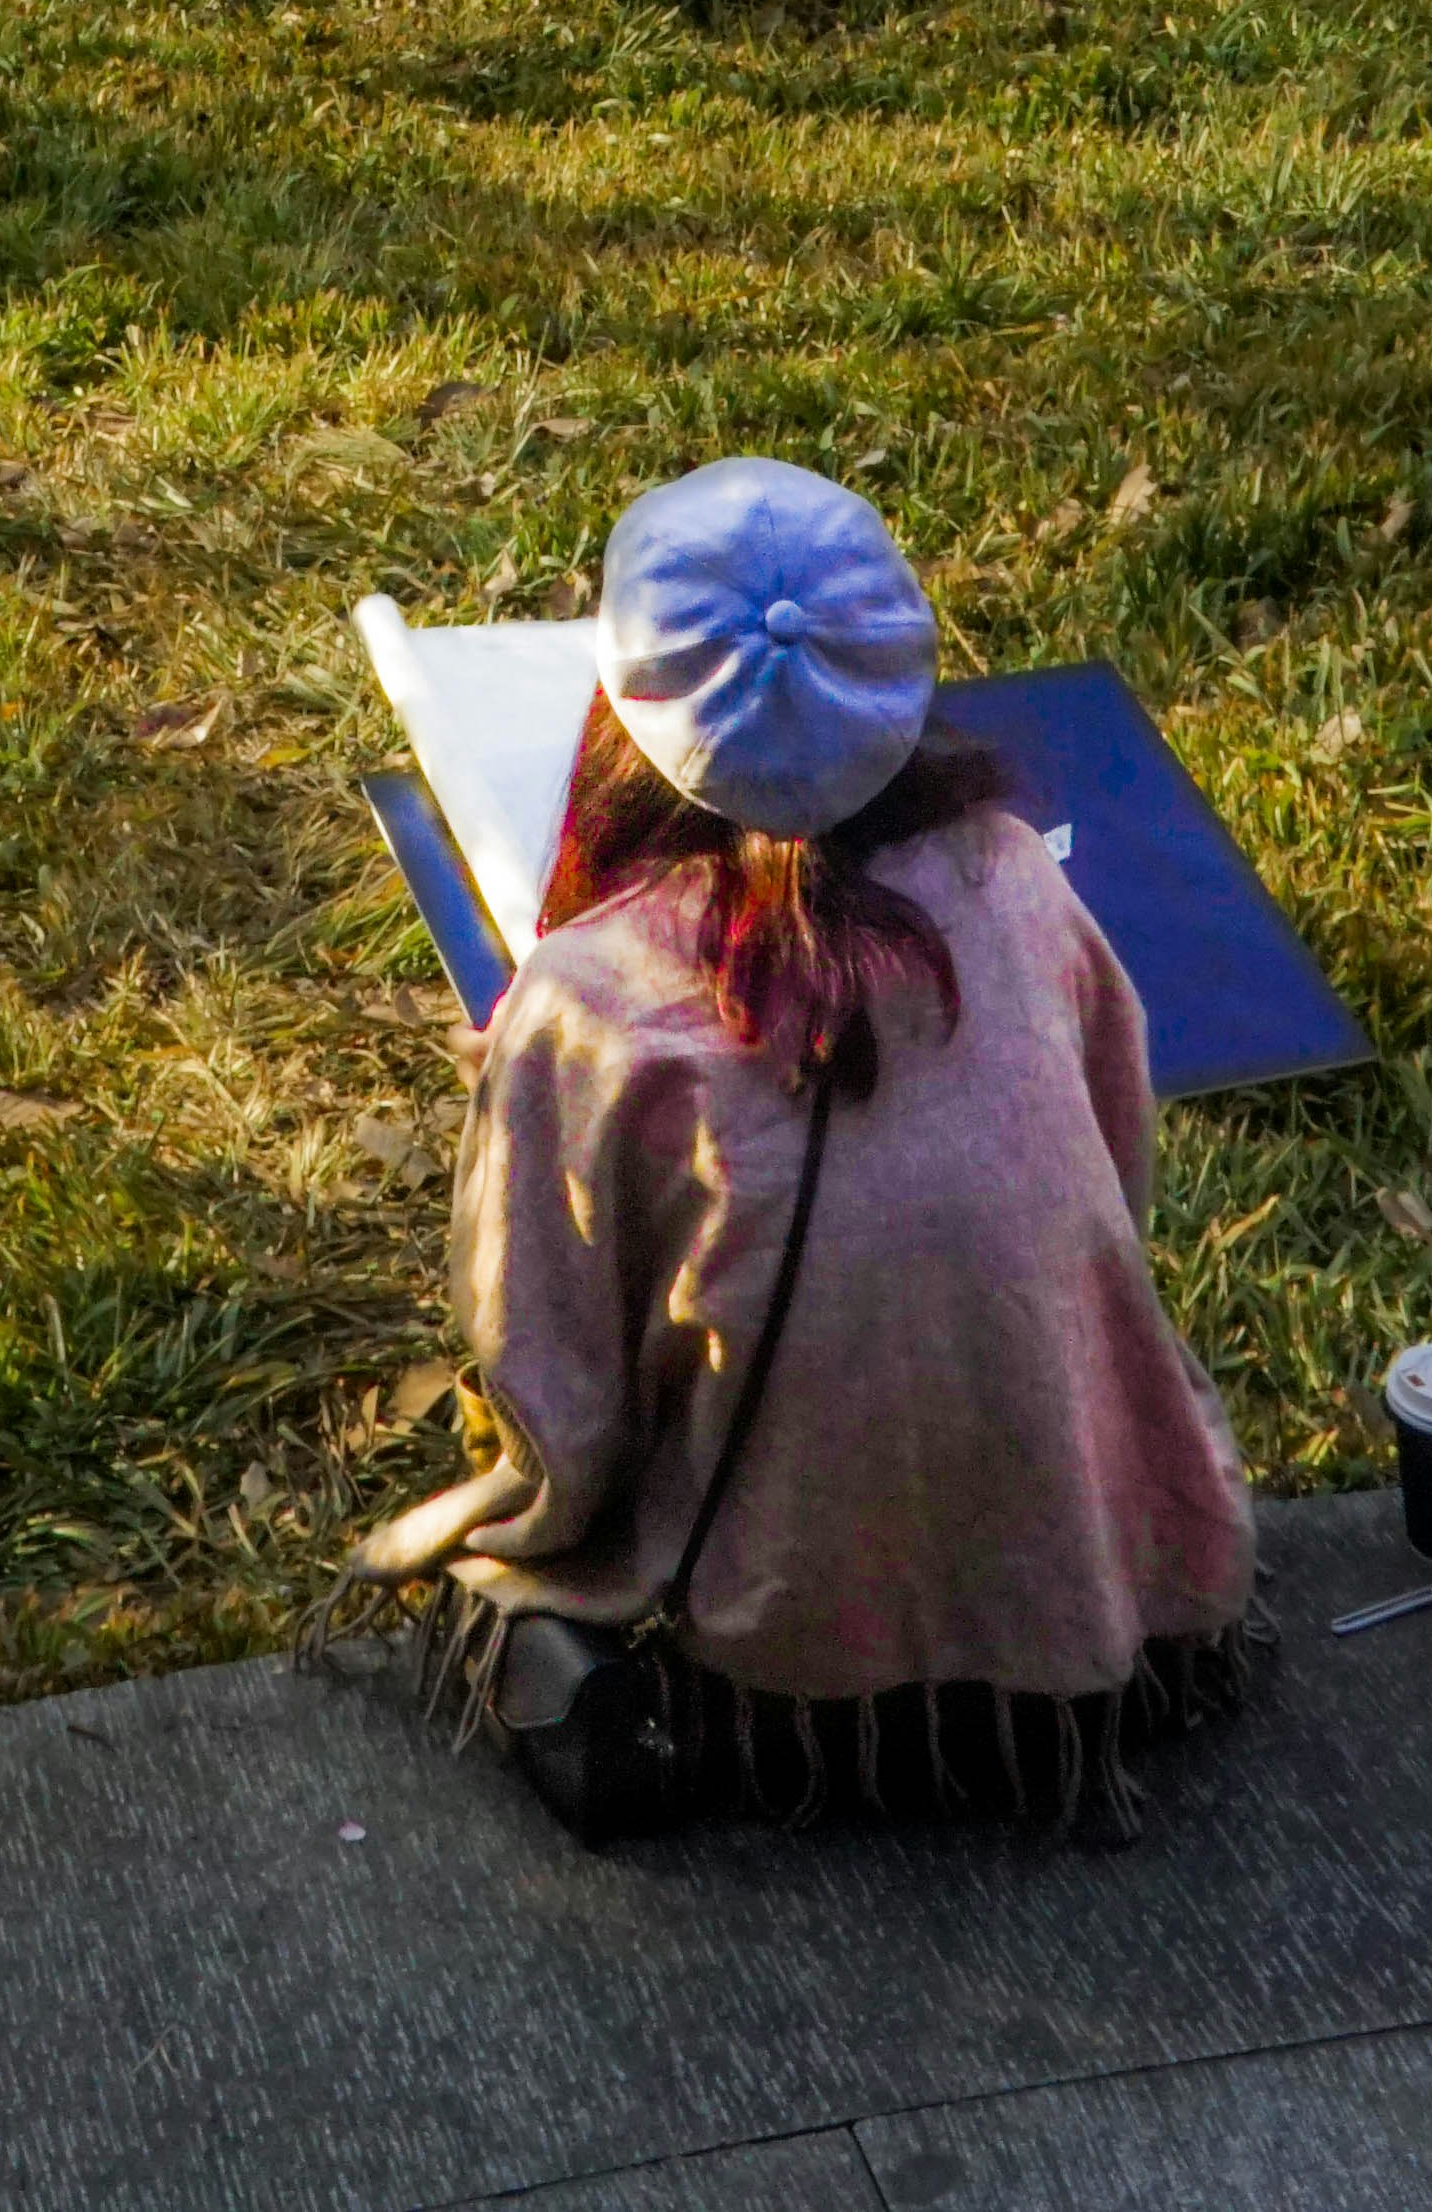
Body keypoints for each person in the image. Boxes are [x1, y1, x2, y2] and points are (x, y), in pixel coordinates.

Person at [338, 457, 1258, 1840]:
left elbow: (548, 1364)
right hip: (1077, 1606)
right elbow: (1104, 1186)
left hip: (768, 1682)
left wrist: (523, 1101)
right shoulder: (1015, 874)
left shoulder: (584, 997)